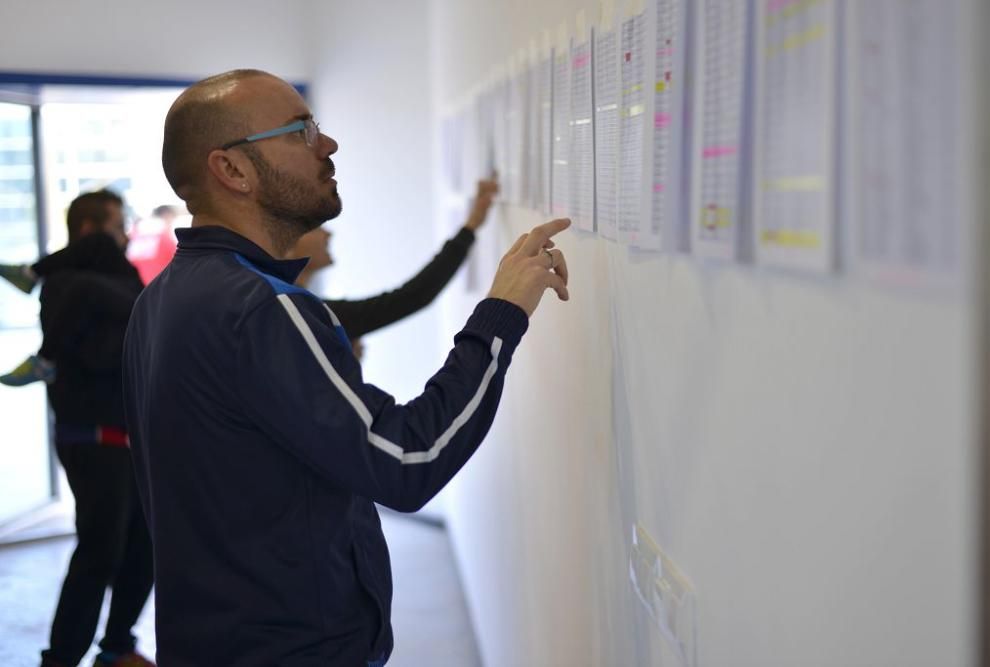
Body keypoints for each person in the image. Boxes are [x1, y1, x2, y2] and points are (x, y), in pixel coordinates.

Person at [122, 68, 569, 666]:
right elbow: (412, 458)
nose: (327, 145)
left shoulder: (164, 299)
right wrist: (503, 313)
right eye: (301, 130)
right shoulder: (264, 311)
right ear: (232, 170)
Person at [13, 191, 154, 667]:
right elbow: (110, 339)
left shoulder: (114, 278)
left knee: (142, 547)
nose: (126, 235)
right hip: (91, 437)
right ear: (92, 231)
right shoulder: (66, 284)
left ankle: (117, 647)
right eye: (118, 226)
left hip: (127, 437)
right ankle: (61, 660)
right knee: (100, 552)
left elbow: (137, 317)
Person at [291, 177, 498, 359]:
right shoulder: (304, 312)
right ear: (288, 246)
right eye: (314, 228)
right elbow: (412, 297)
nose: (328, 233)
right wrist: (470, 226)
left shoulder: (303, 308)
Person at [0, 192, 143, 387]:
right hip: (105, 404)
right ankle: (43, 362)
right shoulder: (65, 284)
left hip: (117, 396)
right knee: (101, 250)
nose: (127, 239)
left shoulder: (82, 283)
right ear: (87, 229)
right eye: (119, 228)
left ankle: (30, 274)